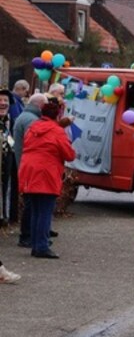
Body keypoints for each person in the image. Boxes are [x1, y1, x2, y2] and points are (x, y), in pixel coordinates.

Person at [18, 101, 74, 259]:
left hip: (29, 171)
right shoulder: (57, 131)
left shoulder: (32, 128)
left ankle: (35, 244)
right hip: (46, 172)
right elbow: (69, 154)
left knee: (35, 211)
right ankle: (41, 246)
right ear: (58, 115)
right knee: (44, 212)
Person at [12, 93, 46, 248]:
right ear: (40, 105)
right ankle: (26, 235)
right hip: (29, 166)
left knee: (30, 202)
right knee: (31, 203)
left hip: (24, 164)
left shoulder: (25, 117)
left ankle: (29, 234)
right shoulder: (32, 120)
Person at [0, 90, 17, 228]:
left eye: (6, 100)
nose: (3, 103)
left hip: (7, 162)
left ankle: (4, 216)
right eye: (0, 100)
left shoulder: (10, 121)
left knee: (6, 188)